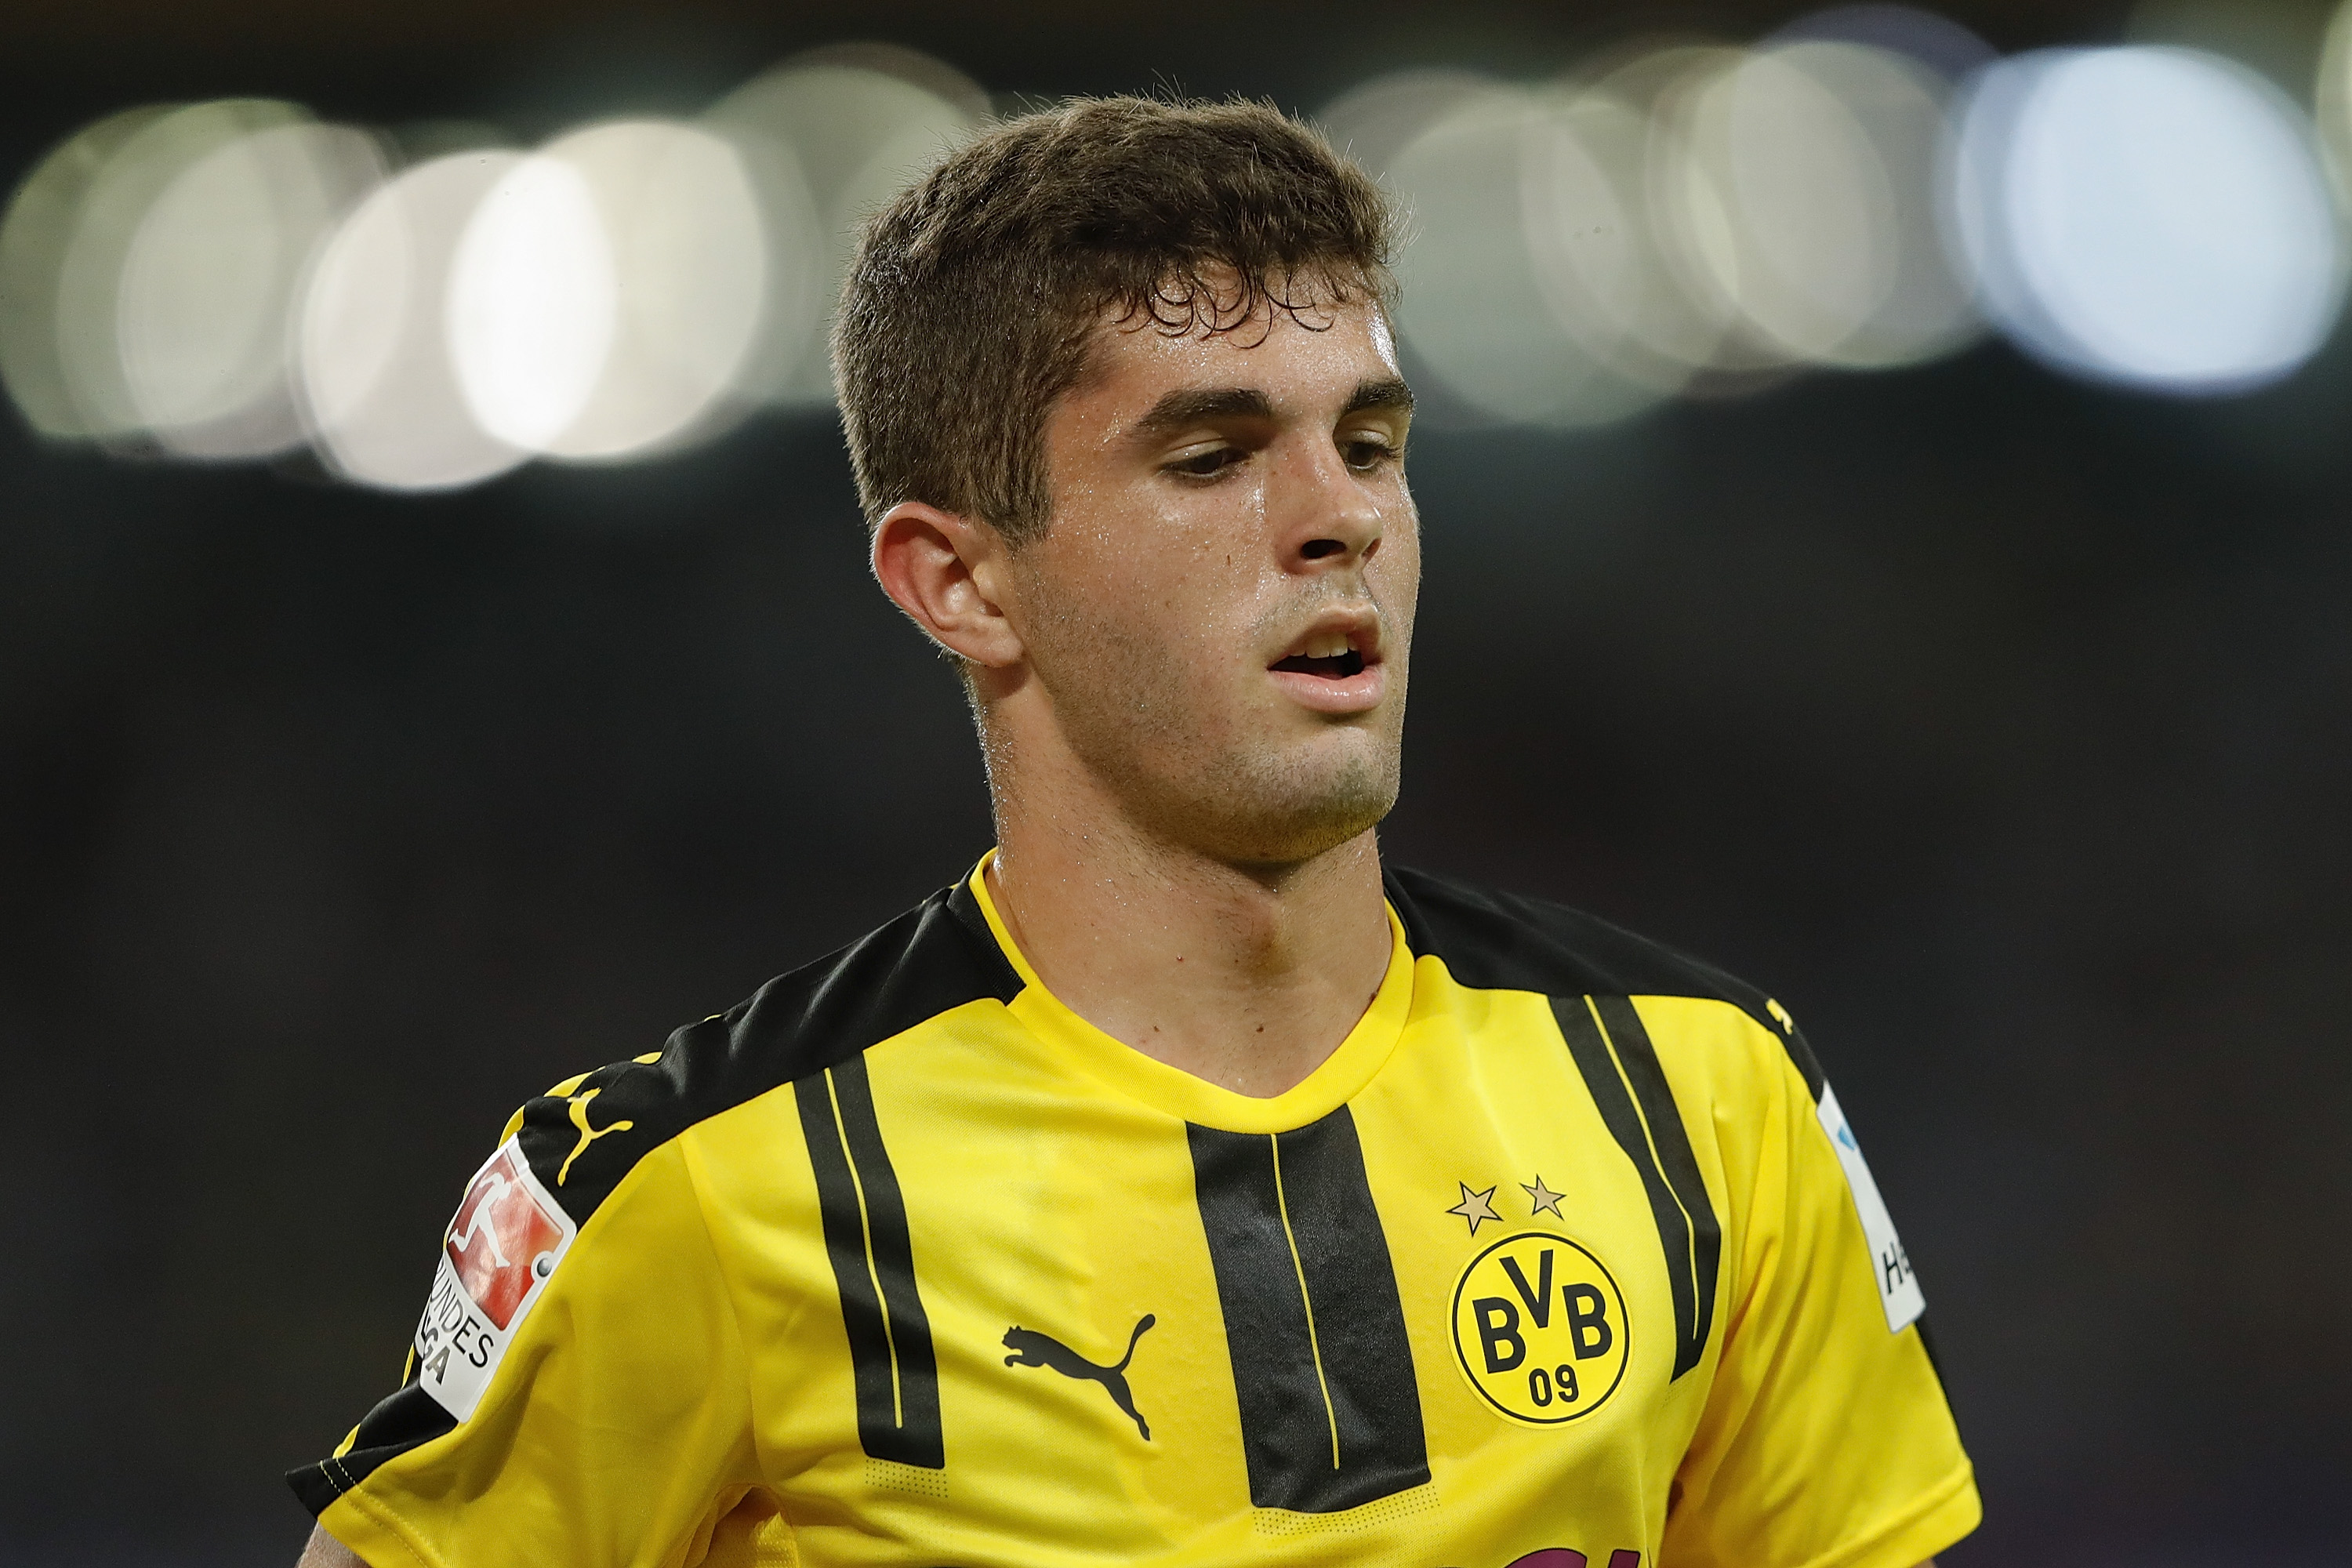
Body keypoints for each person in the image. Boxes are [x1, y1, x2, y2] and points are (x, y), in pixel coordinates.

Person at [291, 96, 1978, 1568]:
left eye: (1372, 442)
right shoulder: (697, 1189)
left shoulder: (1707, 1093)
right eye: (1211, 454)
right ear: (961, 582)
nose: (1339, 521)